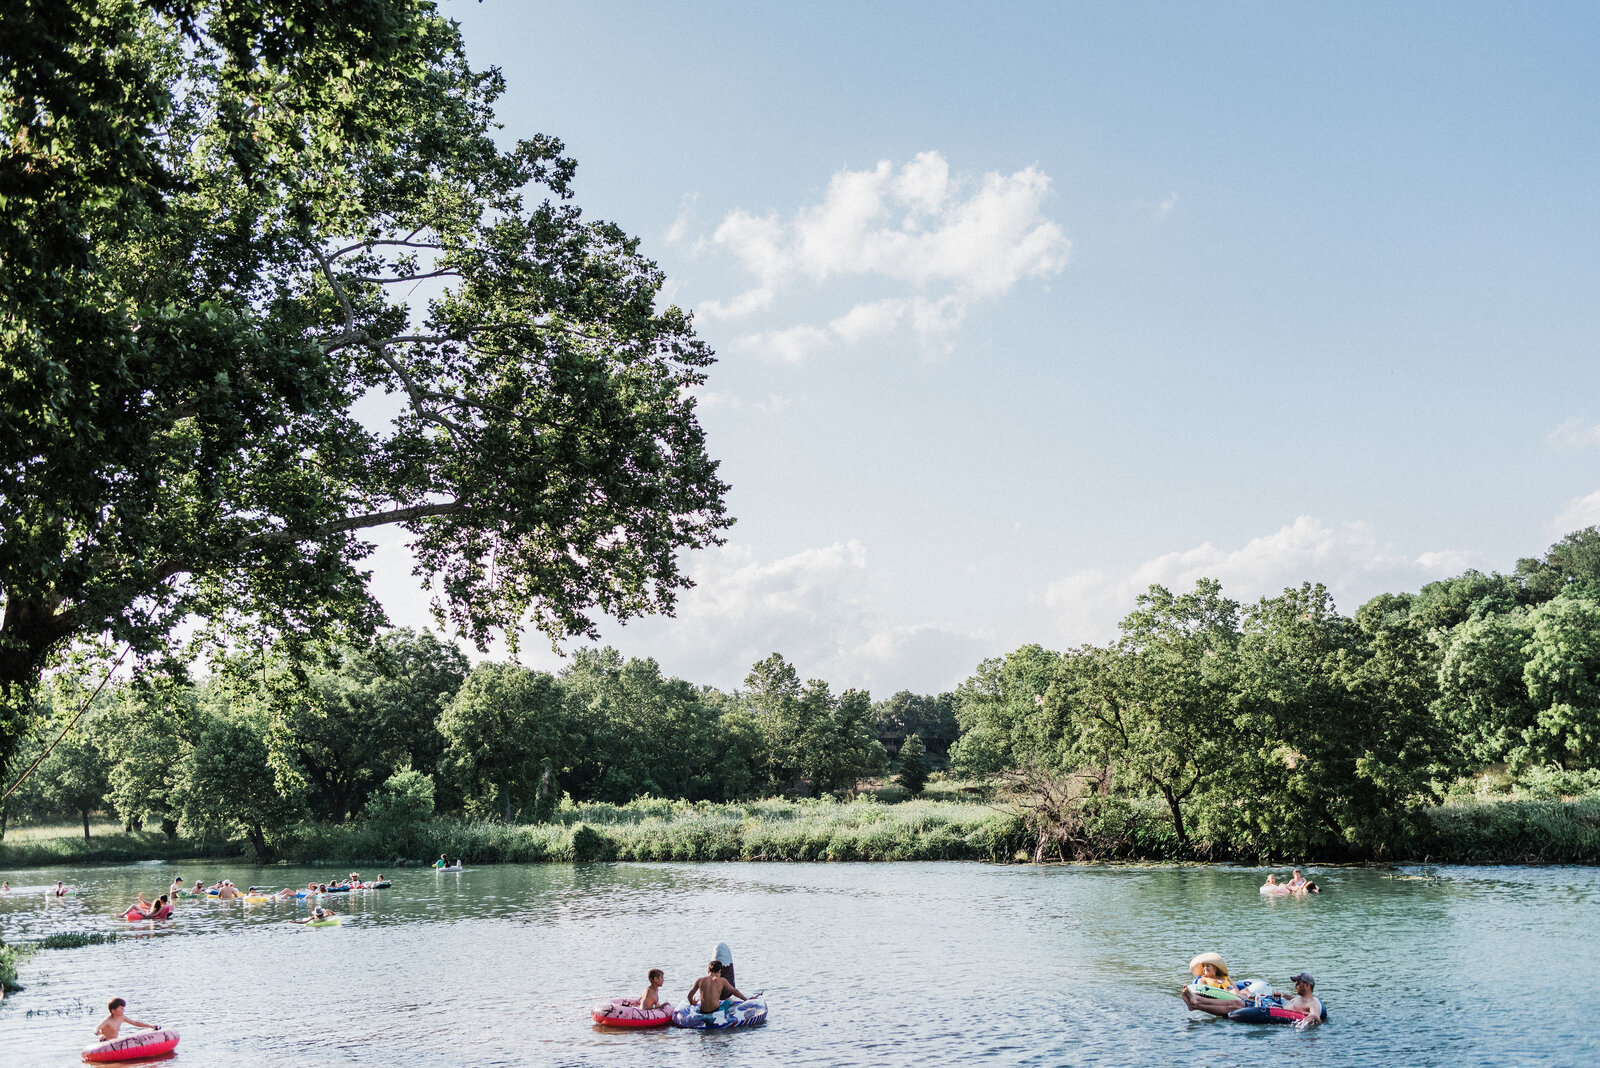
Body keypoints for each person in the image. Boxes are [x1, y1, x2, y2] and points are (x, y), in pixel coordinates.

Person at [94, 997, 160, 1042]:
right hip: (106, 1043)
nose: (123, 1010)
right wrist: (100, 1035)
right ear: (113, 1011)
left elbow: (135, 1023)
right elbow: (96, 1028)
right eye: (120, 1008)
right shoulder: (108, 1020)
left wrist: (150, 1026)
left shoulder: (122, 1017)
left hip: (115, 1041)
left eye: (123, 1008)